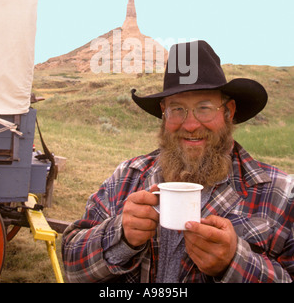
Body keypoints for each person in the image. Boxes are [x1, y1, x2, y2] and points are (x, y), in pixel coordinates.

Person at [61, 41, 294, 283]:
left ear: (229, 111)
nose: (191, 125)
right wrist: (120, 236)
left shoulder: (282, 194)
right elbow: (70, 266)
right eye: (177, 109)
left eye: (204, 108)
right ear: (164, 112)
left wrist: (235, 263)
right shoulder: (127, 177)